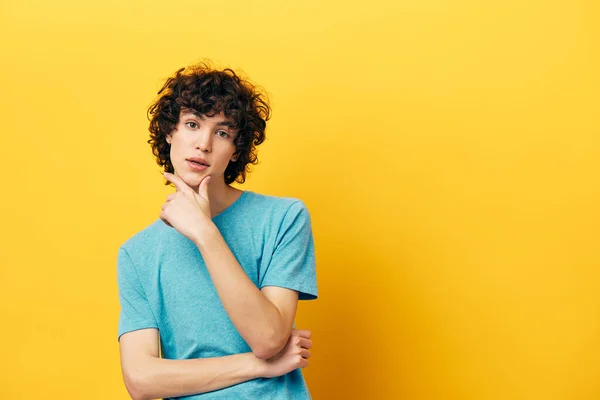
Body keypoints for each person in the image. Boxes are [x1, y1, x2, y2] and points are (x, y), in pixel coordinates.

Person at [116, 62, 318, 400]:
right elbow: (140, 380)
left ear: (236, 148)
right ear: (170, 133)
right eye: (192, 125)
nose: (204, 144)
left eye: (222, 132)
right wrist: (260, 366)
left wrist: (204, 232)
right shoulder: (137, 253)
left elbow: (268, 338)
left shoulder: (283, 218)